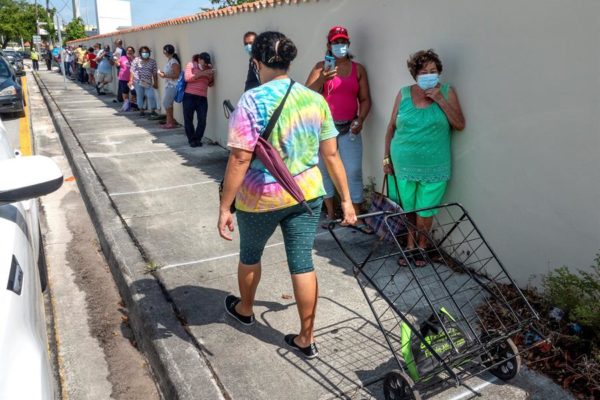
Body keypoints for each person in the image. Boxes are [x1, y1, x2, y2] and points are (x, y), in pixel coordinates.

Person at [219, 31, 357, 359]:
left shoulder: (251, 101)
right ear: (290, 61)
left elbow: (240, 158)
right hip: (306, 195)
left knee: (251, 254)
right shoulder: (315, 99)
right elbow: (332, 156)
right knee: (302, 262)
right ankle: (306, 338)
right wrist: (347, 200)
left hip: (259, 197)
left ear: (257, 63)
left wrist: (226, 205)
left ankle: (246, 309)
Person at [383, 49, 465, 265]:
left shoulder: (447, 92)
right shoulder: (404, 93)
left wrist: (440, 100)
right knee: (408, 209)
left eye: (434, 71)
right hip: (403, 163)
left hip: (435, 165)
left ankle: (422, 246)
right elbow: (391, 127)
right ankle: (409, 247)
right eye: (424, 71)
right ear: (415, 74)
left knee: (425, 211)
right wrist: (386, 158)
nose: (430, 75)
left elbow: (459, 124)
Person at [306, 25, 372, 231]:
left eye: (343, 42)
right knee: (324, 171)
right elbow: (306, 94)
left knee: (353, 171)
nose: (340, 46)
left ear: (348, 44)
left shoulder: (358, 69)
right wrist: (323, 79)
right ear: (329, 45)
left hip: (348, 127)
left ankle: (357, 215)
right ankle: (331, 214)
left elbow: (365, 99)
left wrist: (360, 119)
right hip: (323, 128)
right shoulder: (320, 67)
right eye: (336, 42)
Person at [182, 52, 214, 146]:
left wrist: (211, 76)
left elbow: (211, 84)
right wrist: (203, 73)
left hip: (202, 97)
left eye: (207, 62)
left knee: (202, 120)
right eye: (204, 61)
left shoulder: (209, 68)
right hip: (189, 96)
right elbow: (187, 78)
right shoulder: (191, 65)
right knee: (188, 119)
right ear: (199, 59)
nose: (205, 64)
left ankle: (197, 139)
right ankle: (191, 140)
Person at [129, 46, 159, 117]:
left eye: (147, 52)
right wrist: (131, 80)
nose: (145, 54)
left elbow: (154, 73)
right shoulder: (136, 60)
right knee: (140, 95)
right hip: (138, 81)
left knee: (151, 95)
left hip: (148, 82)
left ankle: (153, 110)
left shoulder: (152, 62)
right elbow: (132, 71)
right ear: (140, 53)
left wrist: (156, 82)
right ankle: (141, 110)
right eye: (144, 52)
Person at [157, 44, 181, 128]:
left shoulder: (173, 61)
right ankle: (170, 121)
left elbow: (177, 75)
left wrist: (165, 76)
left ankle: (170, 122)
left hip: (172, 85)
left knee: (166, 103)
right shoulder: (170, 60)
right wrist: (163, 73)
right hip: (169, 85)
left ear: (165, 52)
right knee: (168, 103)